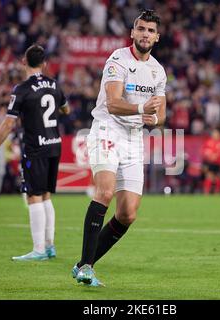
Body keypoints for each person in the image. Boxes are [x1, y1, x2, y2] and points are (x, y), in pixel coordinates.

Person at [72, 9, 167, 287]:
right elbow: (113, 103)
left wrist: (153, 118)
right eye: (141, 29)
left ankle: (81, 265)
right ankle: (88, 267)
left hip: (134, 138)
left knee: (128, 213)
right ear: (132, 33)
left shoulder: (158, 71)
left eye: (150, 31)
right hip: (107, 128)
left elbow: (161, 115)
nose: (145, 34)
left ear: (157, 37)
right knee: (105, 191)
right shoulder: (117, 59)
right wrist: (141, 108)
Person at [0, 45, 70, 261]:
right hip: (54, 145)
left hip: (35, 147)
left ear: (24, 61)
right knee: (46, 196)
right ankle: (50, 247)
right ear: (44, 64)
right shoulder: (54, 84)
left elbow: (7, 124)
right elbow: (66, 109)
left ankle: (39, 250)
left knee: (33, 196)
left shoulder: (22, 89)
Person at [201, 129, 220, 194]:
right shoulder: (208, 142)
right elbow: (205, 153)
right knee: (209, 177)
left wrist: (217, 156)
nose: (217, 135)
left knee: (218, 178)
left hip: (218, 163)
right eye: (215, 134)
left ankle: (217, 193)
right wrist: (212, 156)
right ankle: (206, 192)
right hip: (210, 163)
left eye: (218, 134)